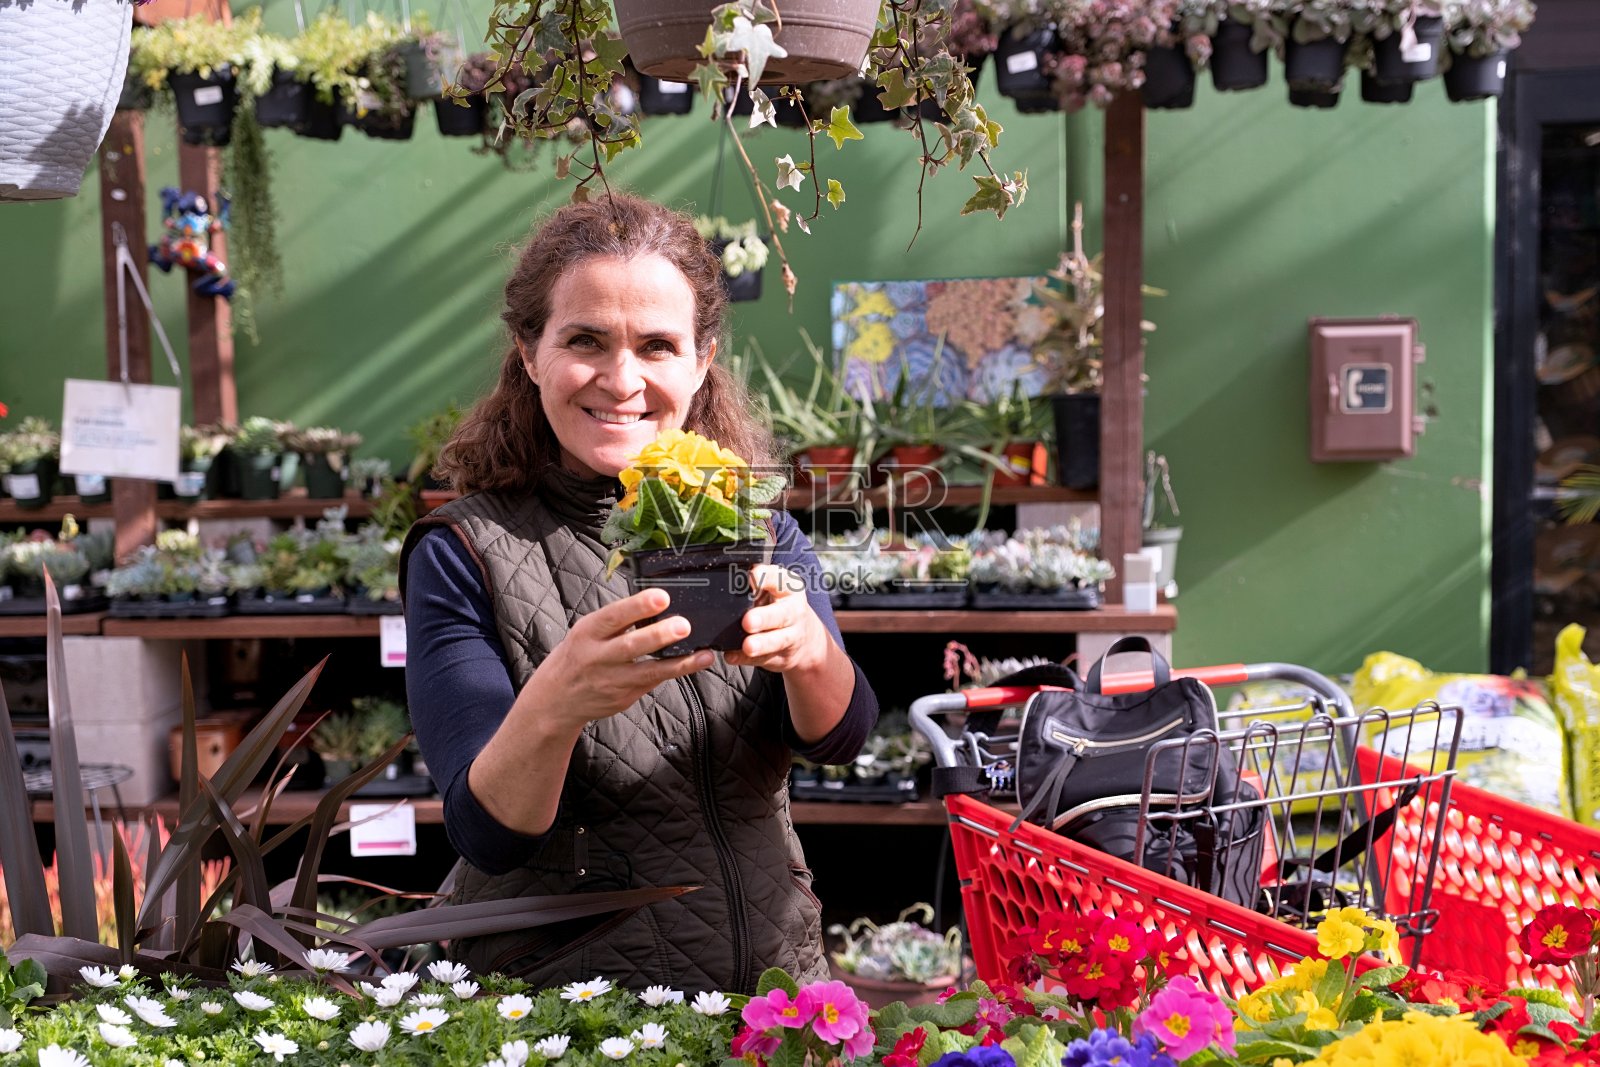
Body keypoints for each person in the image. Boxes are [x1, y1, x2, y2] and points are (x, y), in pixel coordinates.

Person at [399, 193, 879, 994]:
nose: (622, 380)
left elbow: (843, 736)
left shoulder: (758, 527)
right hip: (577, 1016)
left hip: (770, 990)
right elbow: (489, 835)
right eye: (585, 340)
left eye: (657, 346)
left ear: (700, 360)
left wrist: (808, 653)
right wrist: (556, 701)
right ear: (529, 351)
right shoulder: (465, 552)